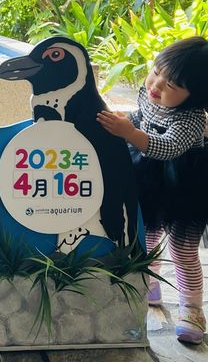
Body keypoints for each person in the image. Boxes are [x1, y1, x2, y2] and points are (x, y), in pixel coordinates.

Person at [97, 36, 208, 345]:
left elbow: (167, 147)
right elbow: (142, 117)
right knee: (146, 236)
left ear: (194, 96)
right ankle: (150, 283)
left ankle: (192, 307)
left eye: (170, 85)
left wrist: (131, 134)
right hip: (151, 179)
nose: (156, 84)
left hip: (185, 185)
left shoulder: (192, 120)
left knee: (183, 249)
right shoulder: (151, 96)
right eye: (156, 70)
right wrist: (127, 121)